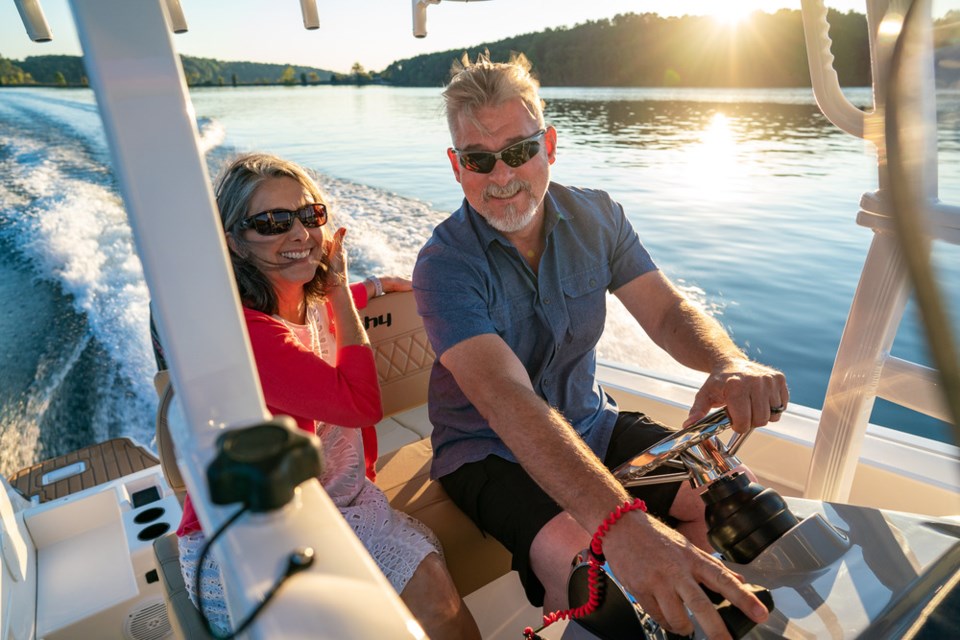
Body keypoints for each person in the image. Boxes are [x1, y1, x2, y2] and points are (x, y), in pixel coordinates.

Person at [412, 53, 788, 639]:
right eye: (479, 160)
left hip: (594, 422)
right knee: (591, 576)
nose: (502, 176)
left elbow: (666, 313)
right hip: (488, 450)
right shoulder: (444, 265)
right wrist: (620, 524)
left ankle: (702, 621)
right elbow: (507, 400)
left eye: (518, 151)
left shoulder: (599, 216)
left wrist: (729, 362)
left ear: (550, 145)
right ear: (457, 167)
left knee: (718, 497)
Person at [175, 152, 479, 639]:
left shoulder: (301, 298)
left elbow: (313, 310)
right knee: (431, 599)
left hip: (338, 503)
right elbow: (361, 405)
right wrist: (338, 290)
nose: (298, 234)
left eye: (309, 215)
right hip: (256, 534)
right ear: (232, 241)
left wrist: (370, 287)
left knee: (430, 589)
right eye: (272, 222)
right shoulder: (247, 335)